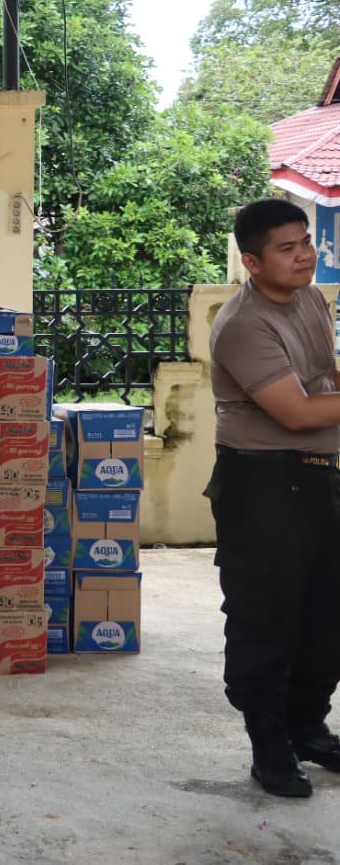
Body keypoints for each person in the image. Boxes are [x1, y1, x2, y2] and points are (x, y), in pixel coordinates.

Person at [207, 197, 340, 799]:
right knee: (265, 615)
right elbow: (297, 412)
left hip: (318, 476)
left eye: (305, 242)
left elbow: (324, 378)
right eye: (286, 249)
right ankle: (268, 743)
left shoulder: (310, 299)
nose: (304, 256)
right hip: (261, 483)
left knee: (326, 611)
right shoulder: (244, 325)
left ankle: (307, 727)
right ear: (253, 262)